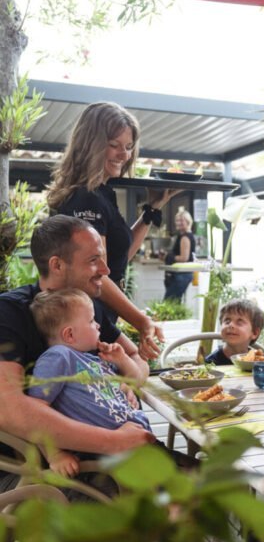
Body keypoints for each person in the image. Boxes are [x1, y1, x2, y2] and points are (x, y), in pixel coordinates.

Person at [0, 215, 154, 497]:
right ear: (57, 265)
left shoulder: (83, 309)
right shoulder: (8, 314)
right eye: (94, 260)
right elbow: (8, 410)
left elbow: (136, 356)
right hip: (30, 471)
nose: (106, 270)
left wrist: (130, 381)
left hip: (104, 453)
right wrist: (115, 442)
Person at [46, 101, 177, 357]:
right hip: (84, 321)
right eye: (114, 145)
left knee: (135, 371)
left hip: (97, 317)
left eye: (128, 147)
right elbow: (97, 273)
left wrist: (152, 209)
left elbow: (116, 260)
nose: (124, 155)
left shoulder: (101, 192)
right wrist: (141, 320)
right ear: (90, 145)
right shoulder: (86, 199)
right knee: (130, 374)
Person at [28, 289, 197, 474]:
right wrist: (55, 455)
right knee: (200, 486)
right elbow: (34, 412)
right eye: (91, 321)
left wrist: (123, 359)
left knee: (208, 476)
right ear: (69, 335)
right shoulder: (59, 357)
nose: (98, 325)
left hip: (145, 446)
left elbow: (134, 380)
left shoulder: (95, 360)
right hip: (105, 457)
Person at [206, 299, 264, 365]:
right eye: (227, 321)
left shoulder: (259, 361)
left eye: (239, 322)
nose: (231, 325)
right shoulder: (211, 363)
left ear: (254, 333)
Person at [164, 209, 196, 302]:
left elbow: (184, 258)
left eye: (181, 220)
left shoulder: (185, 237)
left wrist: (168, 257)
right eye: (177, 220)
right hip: (184, 274)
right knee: (174, 302)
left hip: (182, 274)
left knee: (169, 303)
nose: (178, 222)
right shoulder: (187, 235)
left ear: (188, 221)